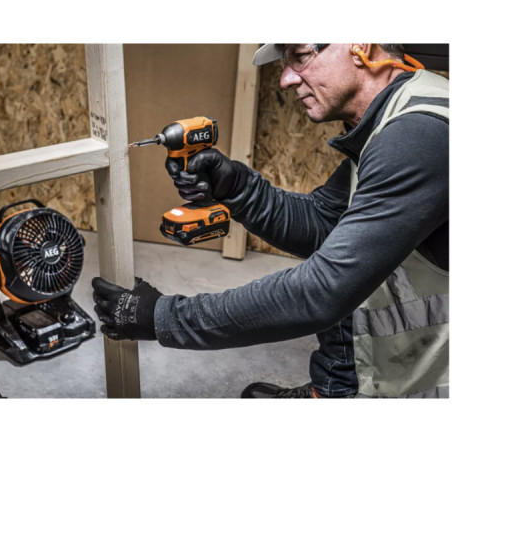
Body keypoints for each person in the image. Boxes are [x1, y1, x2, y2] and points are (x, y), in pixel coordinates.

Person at [92, 44, 449, 398]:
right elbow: (324, 223)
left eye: (300, 56)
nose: (285, 80)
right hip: (403, 363)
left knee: (341, 279)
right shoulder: (400, 112)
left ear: (361, 45)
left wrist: (164, 317)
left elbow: (323, 291)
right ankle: (333, 390)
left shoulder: (417, 136)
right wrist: (236, 187)